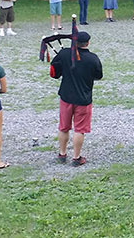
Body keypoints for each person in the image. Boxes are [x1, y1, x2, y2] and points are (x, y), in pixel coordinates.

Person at [50, 31, 103, 166]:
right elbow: (98, 75)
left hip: (66, 96)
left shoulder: (65, 54)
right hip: (83, 98)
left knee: (63, 127)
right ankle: (76, 157)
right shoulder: (93, 58)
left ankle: (62, 154)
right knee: (79, 129)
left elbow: (54, 71)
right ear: (88, 43)